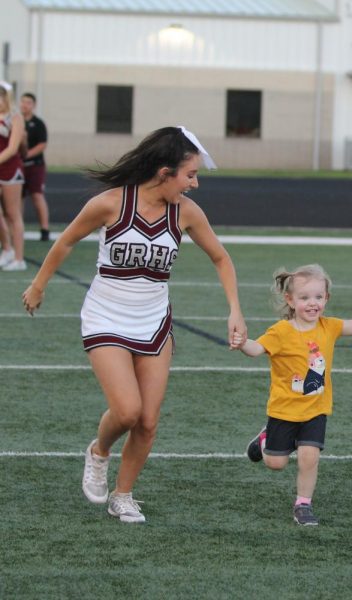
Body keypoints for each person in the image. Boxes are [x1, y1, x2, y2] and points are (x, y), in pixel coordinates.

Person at [21, 126, 247, 523]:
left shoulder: (187, 213)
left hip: (154, 322)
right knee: (126, 411)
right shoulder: (110, 204)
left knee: (147, 421)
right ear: (164, 171)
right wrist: (38, 286)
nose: (194, 184)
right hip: (106, 315)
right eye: (190, 174)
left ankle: (123, 495)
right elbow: (66, 241)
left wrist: (235, 310)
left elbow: (222, 258)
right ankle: (99, 452)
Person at [238, 264, 352, 526]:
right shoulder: (281, 331)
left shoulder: (329, 326)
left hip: (316, 409)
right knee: (275, 463)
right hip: (283, 410)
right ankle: (264, 438)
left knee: (309, 456)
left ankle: (303, 505)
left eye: (318, 297)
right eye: (304, 298)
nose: (312, 303)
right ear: (290, 300)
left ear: (326, 298)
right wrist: (242, 343)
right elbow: (257, 349)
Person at [0, 81, 27, 271]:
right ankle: (7, 249)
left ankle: (19, 259)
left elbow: (12, 148)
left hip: (11, 169)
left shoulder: (15, 117)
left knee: (12, 213)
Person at [19, 92, 50, 241]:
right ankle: (17, 228)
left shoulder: (38, 124)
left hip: (35, 166)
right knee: (18, 198)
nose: (24, 105)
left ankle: (44, 229)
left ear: (34, 105)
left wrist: (26, 154)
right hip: (18, 166)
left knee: (37, 195)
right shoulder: (16, 121)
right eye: (23, 102)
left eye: (28, 102)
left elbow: (42, 144)